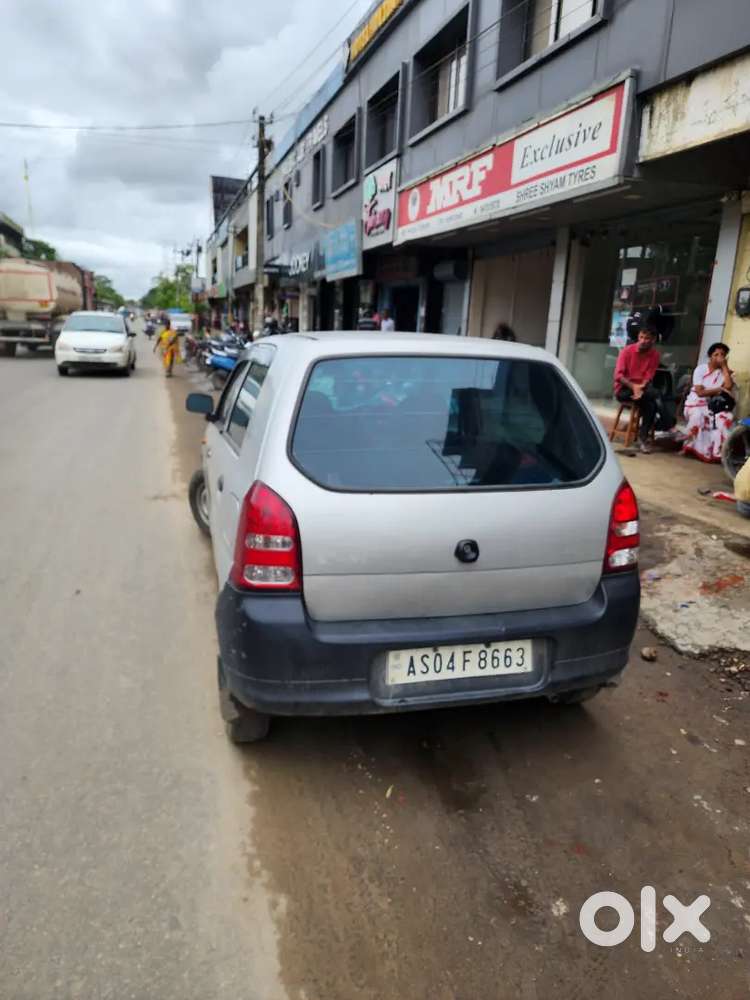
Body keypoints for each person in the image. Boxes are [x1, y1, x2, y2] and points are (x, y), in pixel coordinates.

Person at [682, 343, 736, 463]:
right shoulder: (700, 369)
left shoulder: (724, 372)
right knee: (698, 415)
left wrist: (724, 367)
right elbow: (700, 392)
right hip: (694, 403)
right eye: (716, 354)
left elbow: (728, 386)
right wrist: (719, 389)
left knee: (724, 418)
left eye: (722, 354)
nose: (719, 357)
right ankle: (691, 447)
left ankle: (716, 452)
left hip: (712, 405)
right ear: (710, 356)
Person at [613, 328, 663, 453]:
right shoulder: (627, 351)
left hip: (642, 389)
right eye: (641, 337)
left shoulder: (655, 355)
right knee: (656, 394)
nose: (642, 341)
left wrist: (640, 387)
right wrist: (634, 387)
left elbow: (648, 376)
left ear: (653, 340)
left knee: (650, 406)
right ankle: (669, 424)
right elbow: (618, 376)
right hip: (624, 389)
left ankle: (642, 439)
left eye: (647, 338)